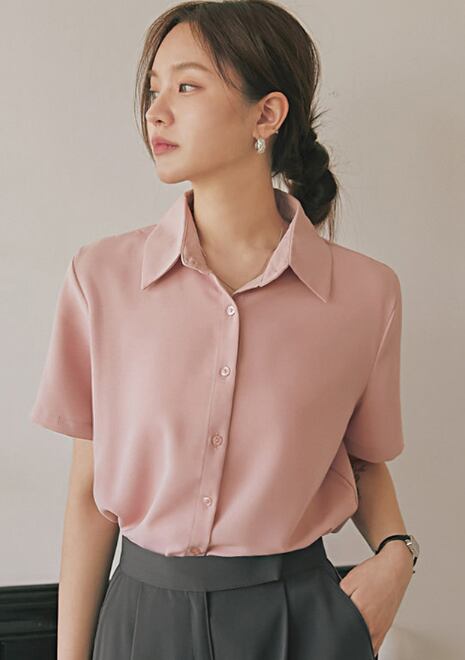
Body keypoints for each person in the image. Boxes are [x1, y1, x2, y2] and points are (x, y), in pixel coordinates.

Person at [30, 1, 419, 658]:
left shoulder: (366, 294)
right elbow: (88, 497)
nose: (155, 112)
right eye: (153, 89)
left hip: (301, 621)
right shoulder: (101, 278)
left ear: (266, 115)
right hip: (142, 618)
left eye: (186, 86)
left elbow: (360, 460)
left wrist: (397, 558)